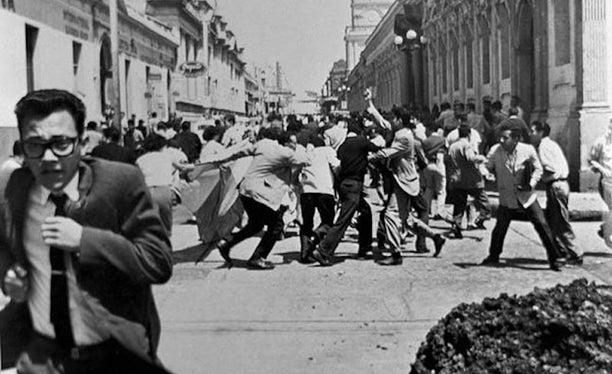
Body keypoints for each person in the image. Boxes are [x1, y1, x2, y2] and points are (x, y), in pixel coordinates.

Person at [0, 89, 173, 372]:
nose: (48, 158)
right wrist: (8, 275)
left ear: (82, 143)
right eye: (35, 145)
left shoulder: (120, 182)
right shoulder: (10, 188)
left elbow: (158, 261)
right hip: (42, 355)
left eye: (61, 144)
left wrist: (84, 240)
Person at [213, 127, 310, 270]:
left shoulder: (263, 145)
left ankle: (227, 243)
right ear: (286, 143)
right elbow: (306, 160)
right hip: (260, 193)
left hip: (246, 190)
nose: (294, 146)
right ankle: (258, 258)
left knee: (256, 224)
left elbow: (240, 152)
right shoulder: (286, 153)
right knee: (276, 226)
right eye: (293, 143)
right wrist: (303, 148)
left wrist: (219, 159)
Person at [481, 121, 563, 271]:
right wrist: (487, 174)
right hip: (507, 196)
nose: (501, 140)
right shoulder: (496, 150)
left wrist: (531, 184)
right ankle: (493, 255)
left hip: (526, 196)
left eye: (505, 138)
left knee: (542, 224)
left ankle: (554, 258)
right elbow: (485, 165)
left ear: (516, 139)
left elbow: (538, 169)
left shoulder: (528, 150)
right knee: (500, 227)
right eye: (501, 137)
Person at [369, 112, 446, 265]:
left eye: (393, 118)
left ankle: (396, 254)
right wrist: (369, 103)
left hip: (405, 181)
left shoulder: (404, 137)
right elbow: (383, 122)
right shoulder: (399, 131)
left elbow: (388, 152)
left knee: (390, 214)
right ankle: (436, 238)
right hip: (401, 180)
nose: (390, 121)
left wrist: (369, 156)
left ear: (399, 120)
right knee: (407, 220)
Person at [311, 119, 380, 266]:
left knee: (365, 211)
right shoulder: (361, 141)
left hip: (344, 184)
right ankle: (323, 250)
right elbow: (377, 148)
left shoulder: (342, 146)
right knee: (343, 220)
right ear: (361, 131)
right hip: (354, 185)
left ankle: (365, 246)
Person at [531, 121, 583, 265]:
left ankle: (576, 253)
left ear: (541, 132)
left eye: (533, 131)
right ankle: (562, 252)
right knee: (551, 221)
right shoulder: (550, 144)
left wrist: (536, 171)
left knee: (560, 221)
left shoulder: (544, 146)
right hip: (558, 185)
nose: (531, 134)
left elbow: (551, 169)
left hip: (556, 185)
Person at [136, 134, 193, 237]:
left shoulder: (140, 160)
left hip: (146, 192)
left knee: (147, 225)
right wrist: (197, 166)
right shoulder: (167, 157)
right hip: (163, 191)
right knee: (165, 226)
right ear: (162, 146)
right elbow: (183, 168)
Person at [298, 134, 340, 263]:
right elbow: (337, 167)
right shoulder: (327, 151)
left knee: (306, 223)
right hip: (324, 189)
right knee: (328, 221)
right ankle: (316, 236)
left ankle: (305, 253)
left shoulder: (306, 154)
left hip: (306, 190)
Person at [447, 124, 491, 239]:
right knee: (484, 201)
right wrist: (483, 158)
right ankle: (480, 218)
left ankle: (456, 225)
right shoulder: (467, 145)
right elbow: (471, 158)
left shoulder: (452, 146)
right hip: (471, 179)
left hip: (457, 179)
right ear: (469, 134)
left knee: (459, 205)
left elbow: (448, 160)